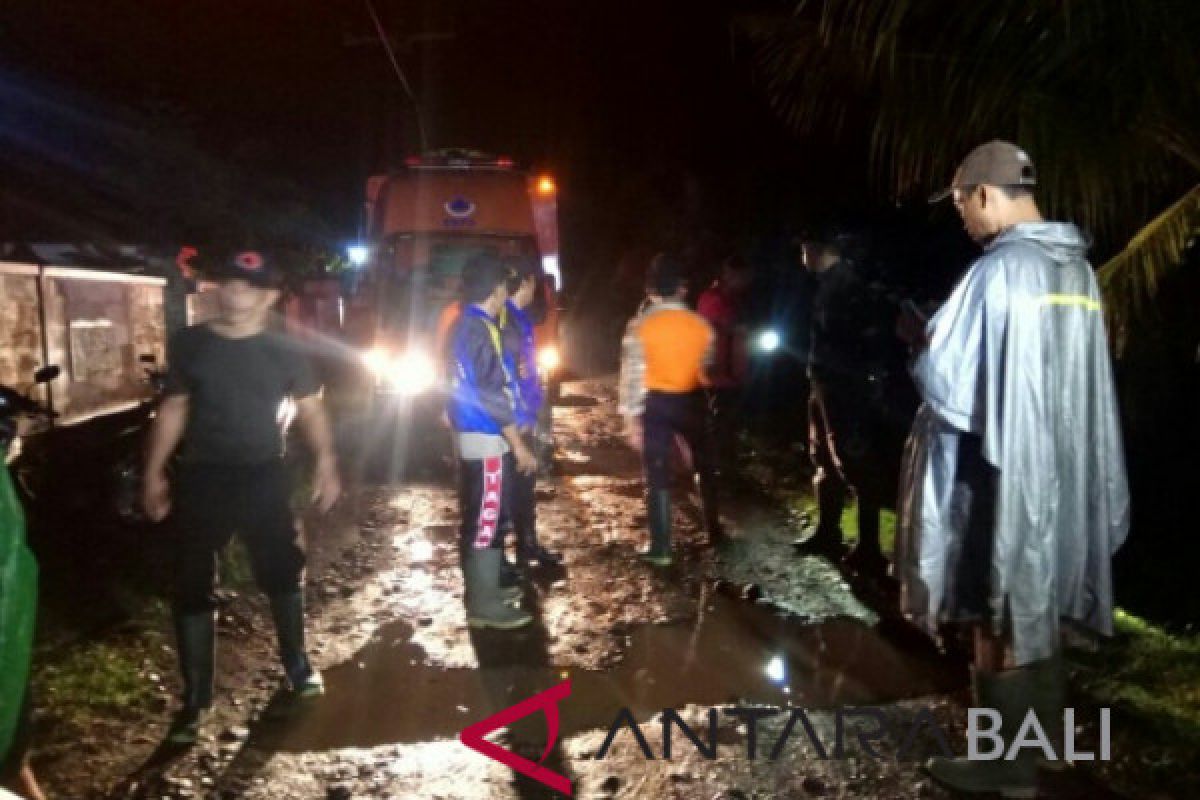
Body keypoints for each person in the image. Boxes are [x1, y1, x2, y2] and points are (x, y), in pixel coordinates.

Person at [896, 141, 1129, 796]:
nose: (964, 221)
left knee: (992, 610)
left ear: (985, 195)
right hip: (1061, 471)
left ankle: (1004, 763)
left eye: (964, 207)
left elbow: (949, 384)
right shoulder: (1076, 273)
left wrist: (921, 339)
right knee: (1041, 605)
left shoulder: (997, 273)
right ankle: (1046, 744)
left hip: (1000, 478)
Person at [142, 249, 342, 745]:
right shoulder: (191, 344)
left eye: (248, 287)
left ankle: (296, 664)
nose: (235, 295)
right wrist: (152, 474)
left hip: (263, 475)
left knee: (280, 568)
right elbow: (174, 408)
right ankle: (196, 700)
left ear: (270, 295)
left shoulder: (286, 349)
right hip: (203, 477)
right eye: (229, 285)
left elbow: (311, 410)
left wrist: (327, 463)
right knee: (191, 579)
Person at [791, 225, 895, 576]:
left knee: (856, 465)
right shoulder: (828, 285)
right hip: (824, 386)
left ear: (816, 250)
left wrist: (864, 384)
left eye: (804, 249)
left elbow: (868, 340)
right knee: (822, 457)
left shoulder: (849, 287)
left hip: (845, 390)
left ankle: (869, 549)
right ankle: (828, 533)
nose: (801, 257)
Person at [446, 255, 538, 629]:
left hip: (481, 435)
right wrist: (518, 444)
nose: (506, 292)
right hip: (487, 439)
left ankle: (486, 593)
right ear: (495, 289)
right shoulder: (477, 328)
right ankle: (484, 605)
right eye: (503, 285)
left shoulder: (471, 324)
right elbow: (492, 391)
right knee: (487, 521)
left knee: (489, 517)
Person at [618, 254, 722, 566]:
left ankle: (661, 546)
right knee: (704, 463)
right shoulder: (700, 325)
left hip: (657, 404)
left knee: (657, 473)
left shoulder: (641, 325)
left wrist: (631, 417)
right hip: (692, 399)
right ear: (683, 288)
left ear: (654, 287)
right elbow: (707, 369)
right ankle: (714, 528)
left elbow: (633, 375)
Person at [501, 258, 562, 568]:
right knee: (513, 487)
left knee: (523, 486)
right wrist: (521, 421)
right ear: (524, 283)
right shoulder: (508, 322)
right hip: (515, 419)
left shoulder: (517, 319)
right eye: (533, 284)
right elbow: (508, 378)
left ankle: (527, 547)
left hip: (523, 414)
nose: (535, 290)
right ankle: (514, 556)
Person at [696, 255, 752, 475]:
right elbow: (727, 328)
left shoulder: (735, 299)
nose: (747, 281)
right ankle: (717, 472)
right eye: (743, 276)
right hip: (719, 375)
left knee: (727, 425)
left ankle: (725, 468)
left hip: (731, 373)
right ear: (730, 275)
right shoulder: (713, 299)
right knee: (721, 425)